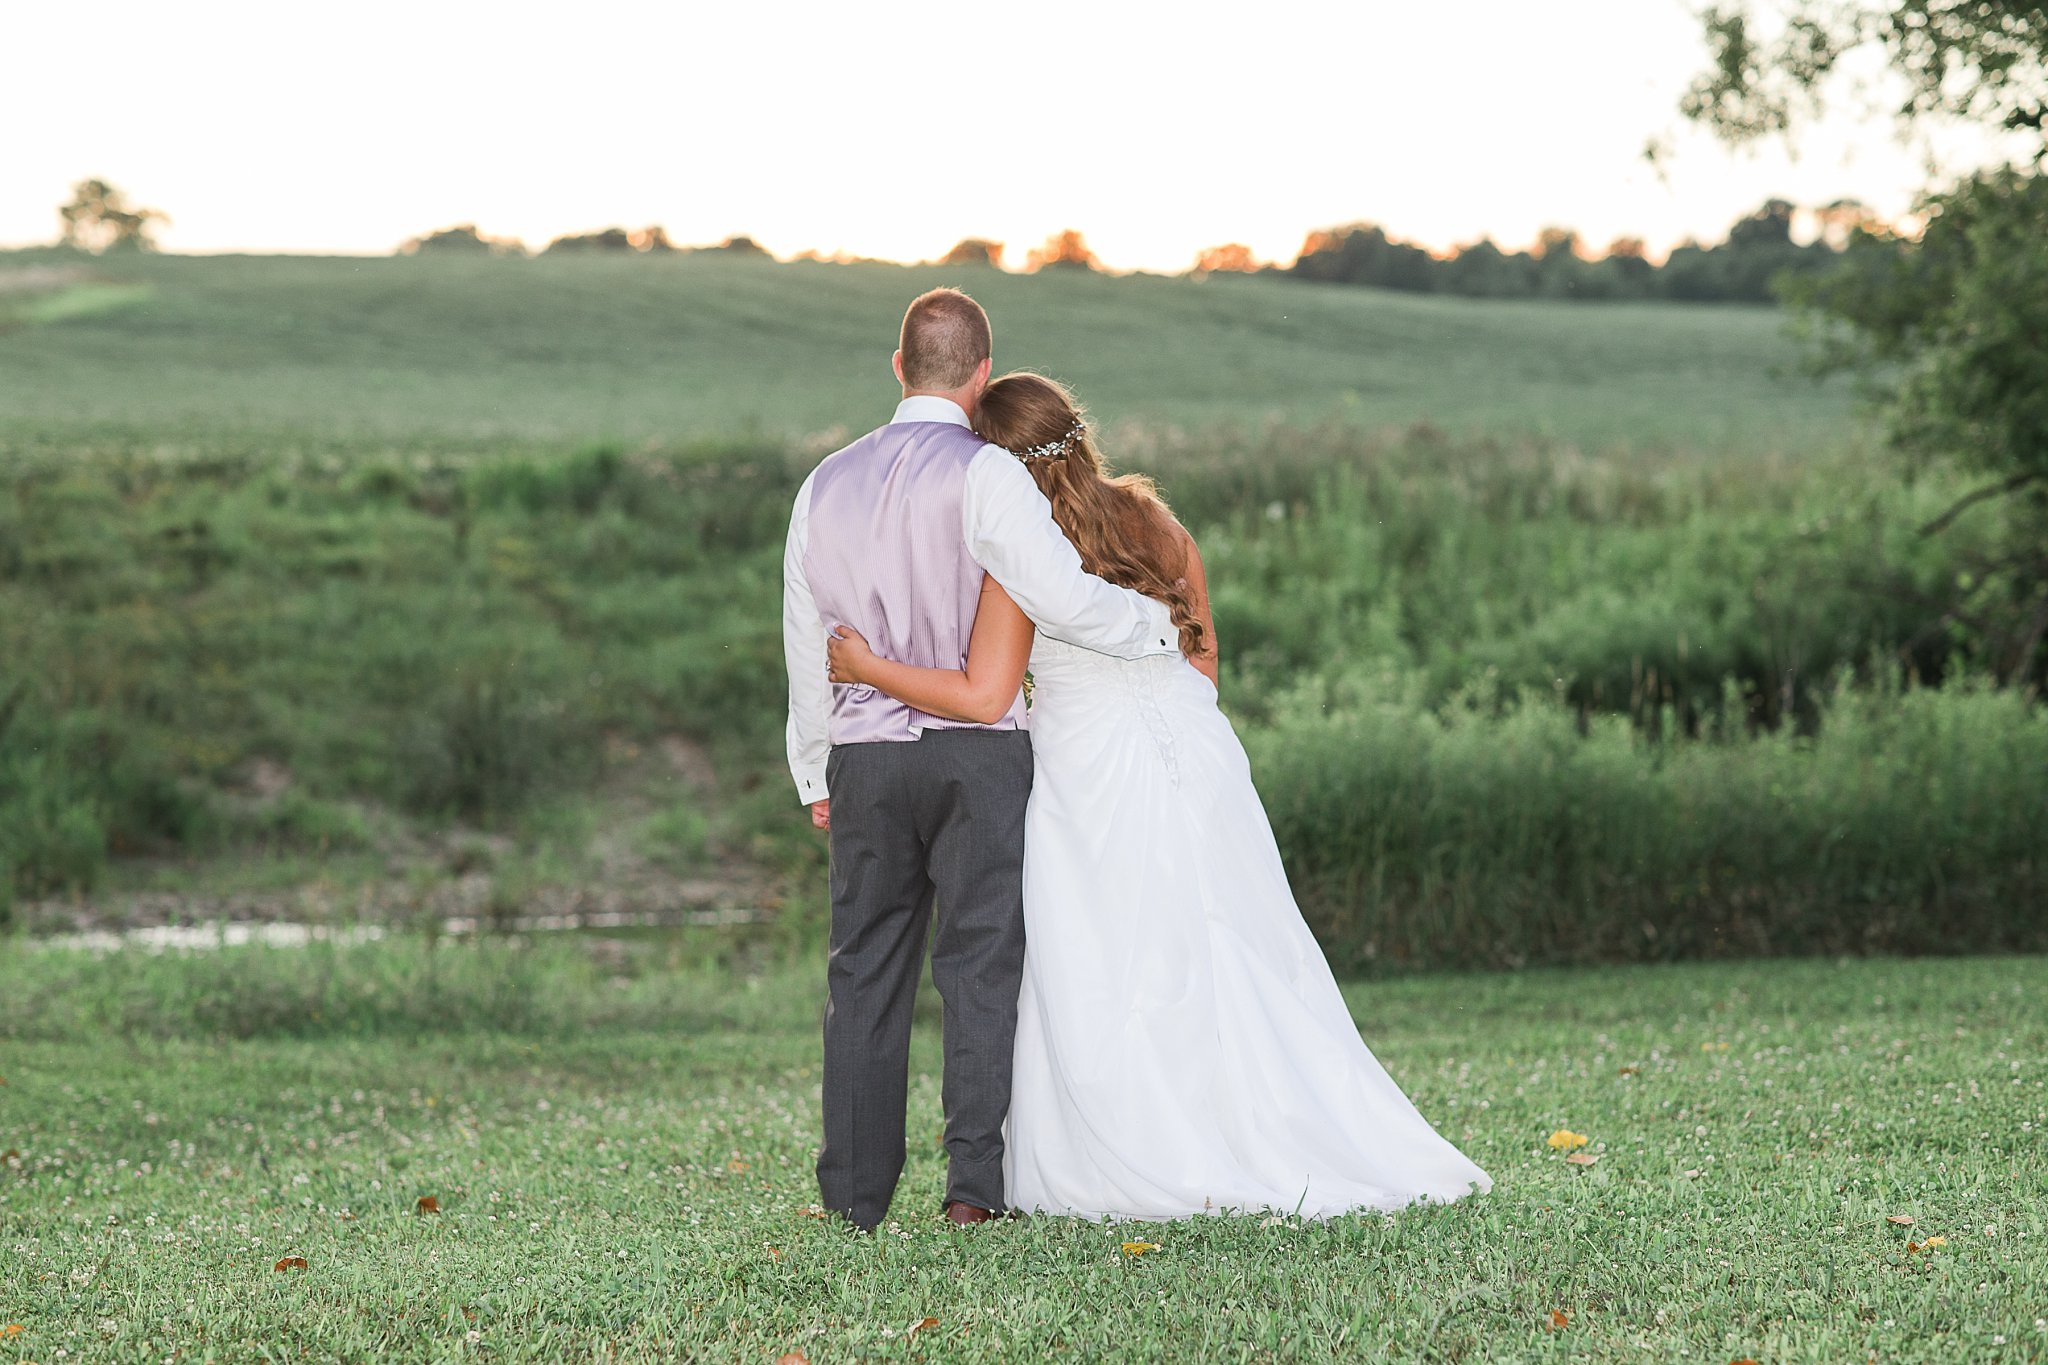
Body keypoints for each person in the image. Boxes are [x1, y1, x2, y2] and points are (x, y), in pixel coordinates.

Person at [826, 373, 1492, 1220]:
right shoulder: (1154, 519)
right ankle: (1259, 1124)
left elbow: (984, 693)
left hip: (1088, 764)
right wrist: (1168, 723)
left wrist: (866, 667)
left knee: (1107, 956)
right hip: (1196, 750)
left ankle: (1147, 1143)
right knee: (1225, 940)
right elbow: (1202, 657)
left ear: (995, 463)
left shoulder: (1021, 556)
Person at [783, 290, 1181, 1232]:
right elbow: (1063, 598)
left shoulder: (821, 484)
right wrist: (1156, 626)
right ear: (982, 374)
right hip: (978, 757)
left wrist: (814, 766)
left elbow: (806, 637)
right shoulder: (989, 474)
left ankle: (853, 1202)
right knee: (979, 967)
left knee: (862, 971)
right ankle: (972, 1190)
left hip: (865, 755)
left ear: (898, 366)